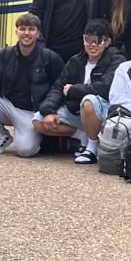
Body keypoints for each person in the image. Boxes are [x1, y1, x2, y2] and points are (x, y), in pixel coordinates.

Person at [0, 12, 64, 157]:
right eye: (22, 29)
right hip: (7, 106)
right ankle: (2, 136)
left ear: (38, 33)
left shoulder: (50, 58)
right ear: (16, 31)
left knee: (25, 150)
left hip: (32, 113)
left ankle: (34, 136)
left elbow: (59, 87)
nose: (26, 33)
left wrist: (48, 110)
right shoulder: (4, 54)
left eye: (31, 29)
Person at [35, 19, 120, 164]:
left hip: (103, 112)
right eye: (89, 39)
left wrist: (74, 90)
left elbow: (105, 88)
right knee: (38, 120)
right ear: (83, 39)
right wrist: (49, 111)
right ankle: (82, 135)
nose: (93, 44)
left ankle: (92, 149)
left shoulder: (117, 60)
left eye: (99, 40)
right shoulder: (76, 61)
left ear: (107, 42)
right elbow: (58, 87)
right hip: (77, 111)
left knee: (89, 101)